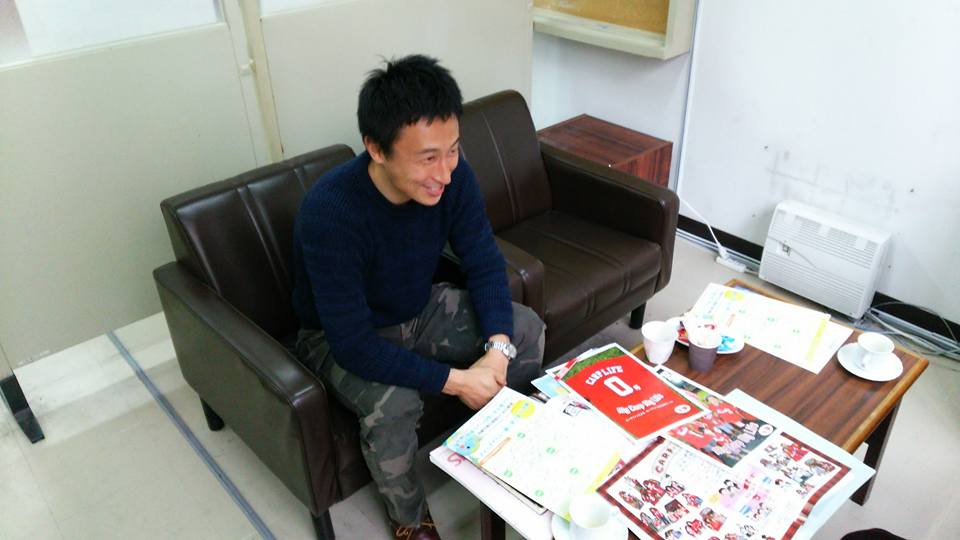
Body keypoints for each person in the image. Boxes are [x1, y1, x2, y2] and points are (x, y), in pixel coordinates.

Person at [291, 54, 545, 540]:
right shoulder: (331, 212)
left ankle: (504, 456)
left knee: (524, 328)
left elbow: (484, 260)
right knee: (395, 405)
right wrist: (458, 382)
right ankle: (410, 521)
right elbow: (352, 344)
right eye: (428, 157)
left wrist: (497, 349)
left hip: (415, 306)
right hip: (336, 336)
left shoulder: (454, 177)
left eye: (453, 150)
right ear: (376, 148)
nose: (444, 173)